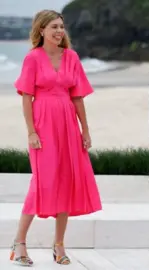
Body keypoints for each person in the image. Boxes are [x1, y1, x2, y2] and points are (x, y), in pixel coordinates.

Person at [9, 10, 102, 267]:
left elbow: (78, 97)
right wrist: (31, 131)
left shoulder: (71, 57)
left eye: (61, 27)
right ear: (41, 30)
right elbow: (27, 98)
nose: (60, 31)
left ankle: (59, 244)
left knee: (67, 180)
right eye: (54, 27)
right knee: (42, 182)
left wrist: (85, 129)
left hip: (68, 125)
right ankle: (19, 242)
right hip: (43, 124)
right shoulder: (32, 59)